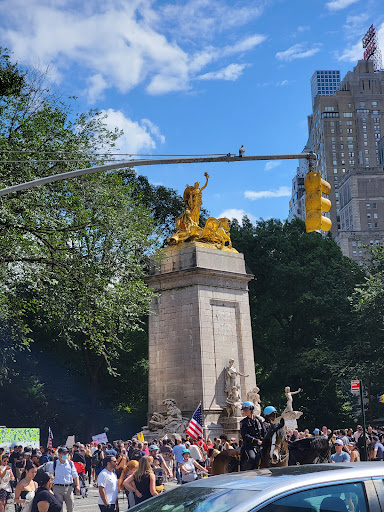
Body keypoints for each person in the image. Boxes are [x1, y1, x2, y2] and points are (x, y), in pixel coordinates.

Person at [46, 446, 79, 512]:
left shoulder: (70, 463)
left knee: (70, 507)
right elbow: (50, 475)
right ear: (59, 454)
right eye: (63, 453)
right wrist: (51, 486)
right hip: (57, 487)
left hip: (68, 487)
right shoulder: (54, 464)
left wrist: (77, 485)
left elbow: (75, 475)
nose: (65, 455)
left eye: (66, 453)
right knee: (59, 507)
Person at [240, 401, 265, 470]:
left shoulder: (258, 420)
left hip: (260, 444)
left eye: (246, 410)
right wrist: (256, 441)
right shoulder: (243, 422)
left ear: (251, 410)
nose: (244, 412)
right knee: (252, 458)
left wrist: (264, 440)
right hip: (249, 445)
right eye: (244, 410)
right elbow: (244, 435)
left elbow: (264, 431)